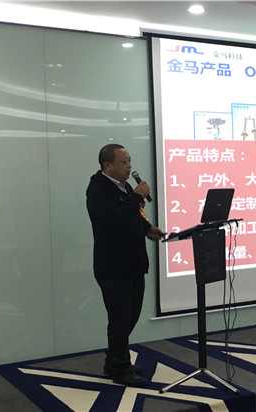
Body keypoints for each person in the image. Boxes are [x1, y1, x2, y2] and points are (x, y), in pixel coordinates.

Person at [86, 143, 165, 387]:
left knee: (130, 316)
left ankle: (113, 360)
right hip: (113, 267)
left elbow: (132, 216)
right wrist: (137, 196)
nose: (129, 166)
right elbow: (115, 219)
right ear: (107, 165)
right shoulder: (98, 190)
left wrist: (147, 228)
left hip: (133, 264)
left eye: (130, 161)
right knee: (119, 320)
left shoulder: (126, 187)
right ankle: (120, 369)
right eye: (124, 162)